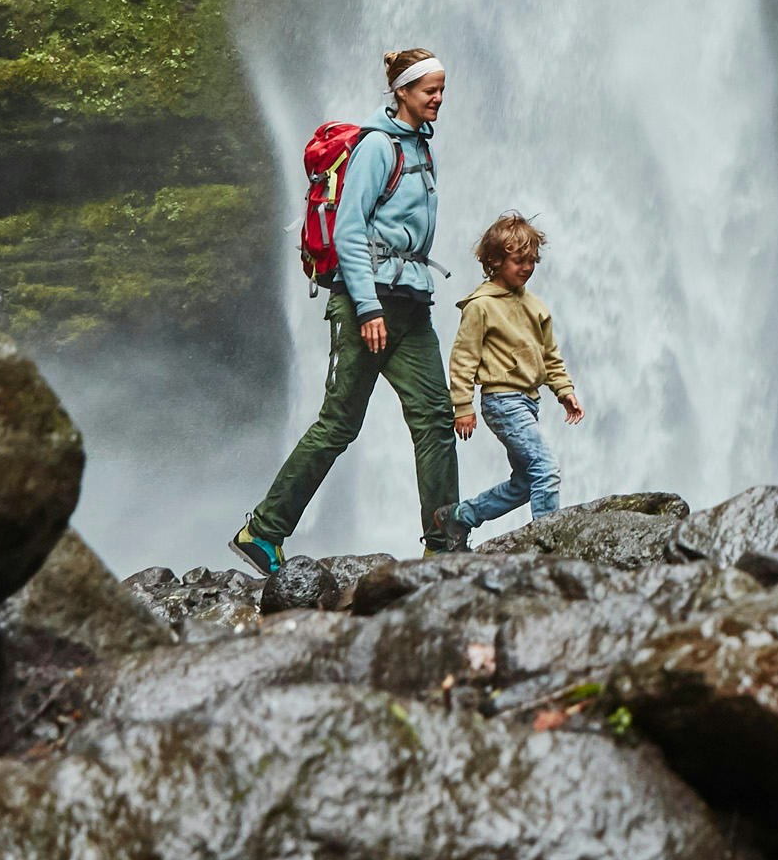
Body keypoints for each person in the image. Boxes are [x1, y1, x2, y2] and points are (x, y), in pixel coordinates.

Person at [232, 46, 463, 570]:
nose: (439, 99)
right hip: (370, 304)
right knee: (339, 423)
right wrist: (366, 307)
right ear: (402, 92)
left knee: (434, 418)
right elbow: (350, 231)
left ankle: (445, 543)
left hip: (411, 302)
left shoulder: (422, 149)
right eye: (430, 90)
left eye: (442, 89)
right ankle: (262, 532)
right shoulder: (378, 148)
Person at [445, 213, 583, 535]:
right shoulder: (480, 306)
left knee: (525, 483)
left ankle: (460, 517)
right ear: (494, 260)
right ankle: (548, 542)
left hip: (529, 402)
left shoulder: (536, 307)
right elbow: (463, 358)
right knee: (546, 470)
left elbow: (550, 355)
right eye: (519, 260)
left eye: (532, 261)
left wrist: (565, 391)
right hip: (502, 401)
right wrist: (463, 406)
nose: (527, 268)